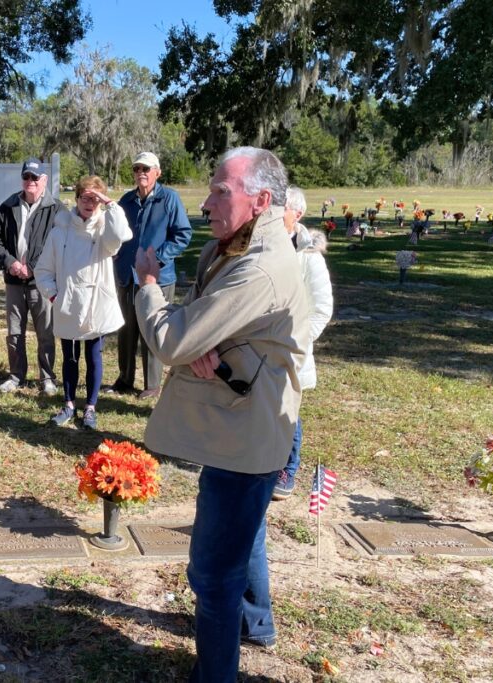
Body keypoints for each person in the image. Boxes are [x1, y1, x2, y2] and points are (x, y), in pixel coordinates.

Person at [133, 147, 309, 682]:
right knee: (244, 535)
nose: (205, 204)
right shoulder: (231, 248)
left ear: (260, 200)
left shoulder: (259, 266)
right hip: (239, 428)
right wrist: (205, 338)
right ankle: (255, 625)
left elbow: (173, 340)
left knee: (212, 574)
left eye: (220, 192)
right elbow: (197, 323)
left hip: (243, 438)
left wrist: (149, 286)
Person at [35, 176, 130, 430]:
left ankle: (90, 407)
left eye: (95, 199)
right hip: (68, 303)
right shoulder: (60, 231)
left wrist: (110, 204)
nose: (90, 203)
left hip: (96, 303)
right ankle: (68, 404)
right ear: (76, 199)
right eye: (85, 197)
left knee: (93, 355)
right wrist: (54, 296)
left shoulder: (105, 230)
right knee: (70, 357)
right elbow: (43, 270)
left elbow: (121, 234)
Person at [110, 152, 192, 400]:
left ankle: (152, 384)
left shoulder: (169, 198)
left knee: (153, 329)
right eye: (136, 169)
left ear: (158, 172)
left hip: (157, 278)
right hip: (128, 275)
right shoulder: (127, 200)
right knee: (126, 329)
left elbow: (182, 234)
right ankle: (124, 379)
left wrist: (157, 259)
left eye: (146, 169)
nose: (140, 173)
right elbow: (116, 232)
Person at [272, 185, 333, 501]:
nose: (273, 212)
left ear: (297, 214)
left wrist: (299, 340)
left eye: (281, 206)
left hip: (292, 348)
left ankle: (287, 469)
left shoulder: (309, 257)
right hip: (260, 344)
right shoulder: (263, 244)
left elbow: (322, 308)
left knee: (288, 410)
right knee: (264, 405)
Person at [0, 158, 67, 396]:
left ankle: (47, 378)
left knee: (45, 332)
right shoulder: (8, 206)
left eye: (35, 177)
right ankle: (16, 376)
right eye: (26, 177)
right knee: (14, 332)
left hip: (42, 282)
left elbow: (60, 244)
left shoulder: (57, 209)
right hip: (14, 281)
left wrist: (33, 267)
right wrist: (10, 262)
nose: (30, 181)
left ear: (44, 179)